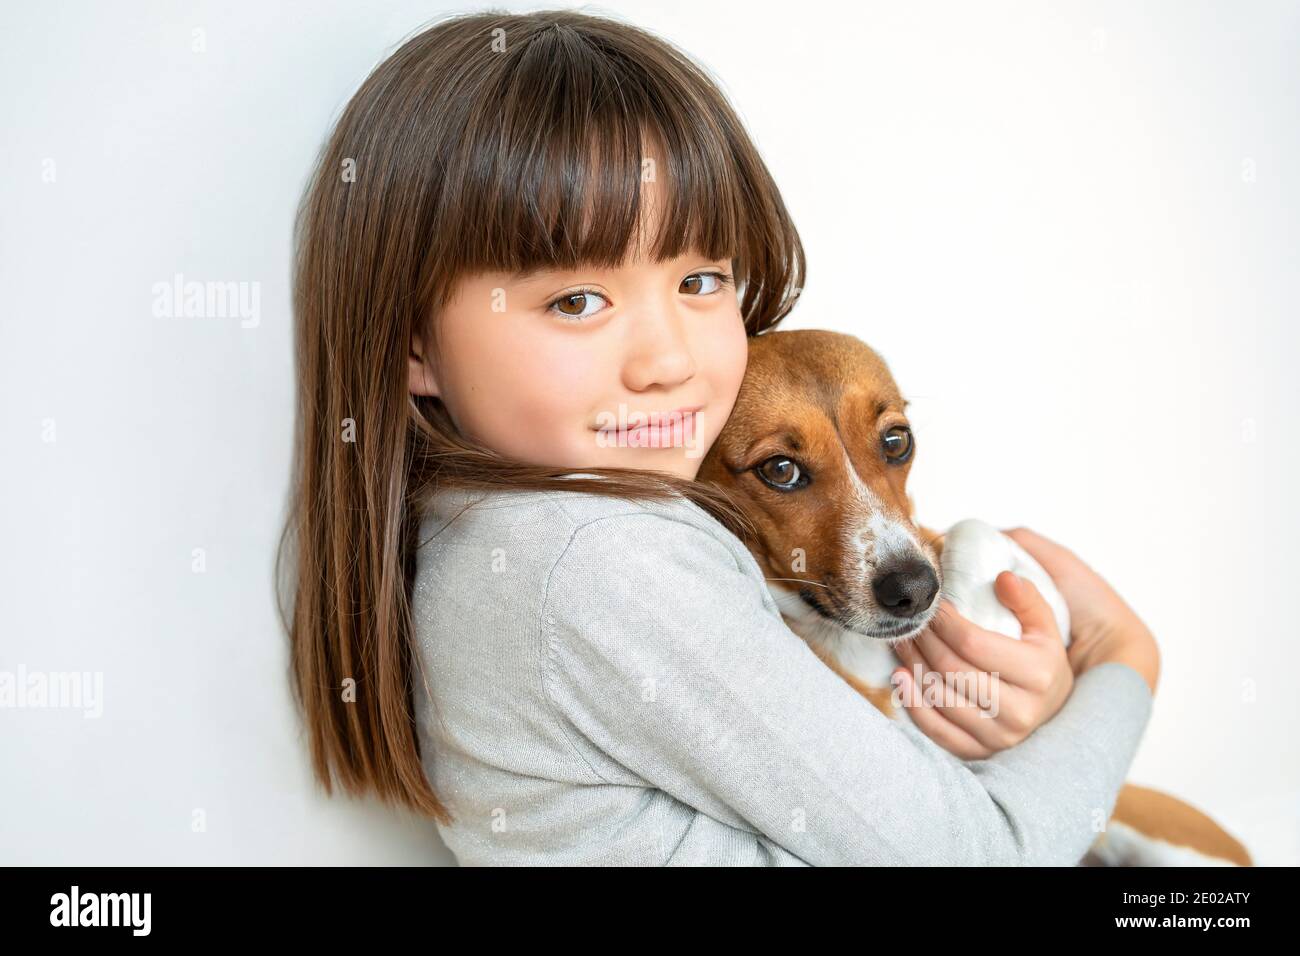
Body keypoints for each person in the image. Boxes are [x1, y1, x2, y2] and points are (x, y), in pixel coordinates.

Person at [278, 8, 1159, 866]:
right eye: (576, 300)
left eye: (700, 278)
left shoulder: (493, 525)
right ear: (413, 346)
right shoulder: (595, 558)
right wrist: (1123, 663)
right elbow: (981, 856)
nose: (666, 359)